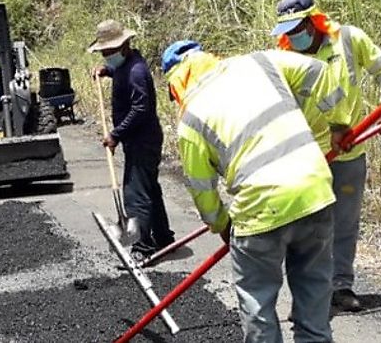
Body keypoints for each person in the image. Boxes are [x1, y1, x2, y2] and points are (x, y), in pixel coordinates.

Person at [164, 43, 350, 343]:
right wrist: (339, 124)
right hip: (314, 192)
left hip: (260, 212)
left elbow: (203, 191)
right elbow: (319, 70)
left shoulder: (191, 119)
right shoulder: (260, 62)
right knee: (314, 301)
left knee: (258, 304)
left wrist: (221, 225)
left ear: (178, 82)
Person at [270, 0, 381, 312]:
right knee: (308, 228)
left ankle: (341, 287)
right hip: (308, 157)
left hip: (350, 151)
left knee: (345, 222)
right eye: (286, 32)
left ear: (312, 22)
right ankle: (310, 292)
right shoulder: (285, 58)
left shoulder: (348, 39)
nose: (292, 37)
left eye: (296, 29)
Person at [88, 19, 175, 262]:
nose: (106, 56)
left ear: (123, 46)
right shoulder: (127, 65)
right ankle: (163, 237)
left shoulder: (137, 71)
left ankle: (143, 249)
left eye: (109, 53)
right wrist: (107, 71)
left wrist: (116, 135)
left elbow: (140, 109)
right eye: (103, 53)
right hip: (140, 139)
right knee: (149, 188)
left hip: (143, 140)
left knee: (135, 194)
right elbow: (120, 70)